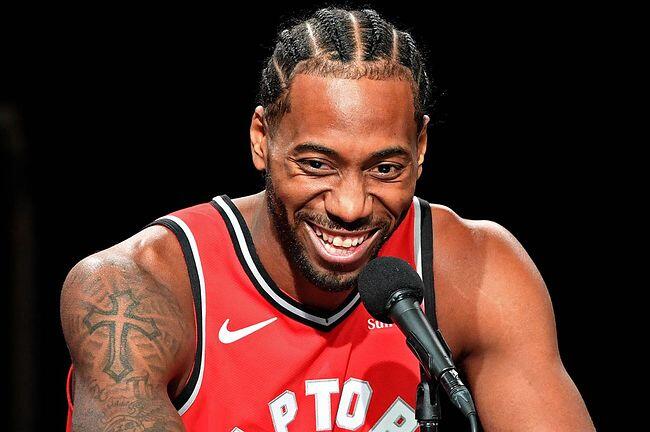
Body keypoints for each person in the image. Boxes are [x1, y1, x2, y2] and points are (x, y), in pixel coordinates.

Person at [60, 7, 595, 431]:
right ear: (261, 139)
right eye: (317, 165)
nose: (350, 206)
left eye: (385, 168)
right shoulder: (132, 291)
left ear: (421, 148)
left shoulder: (477, 271)